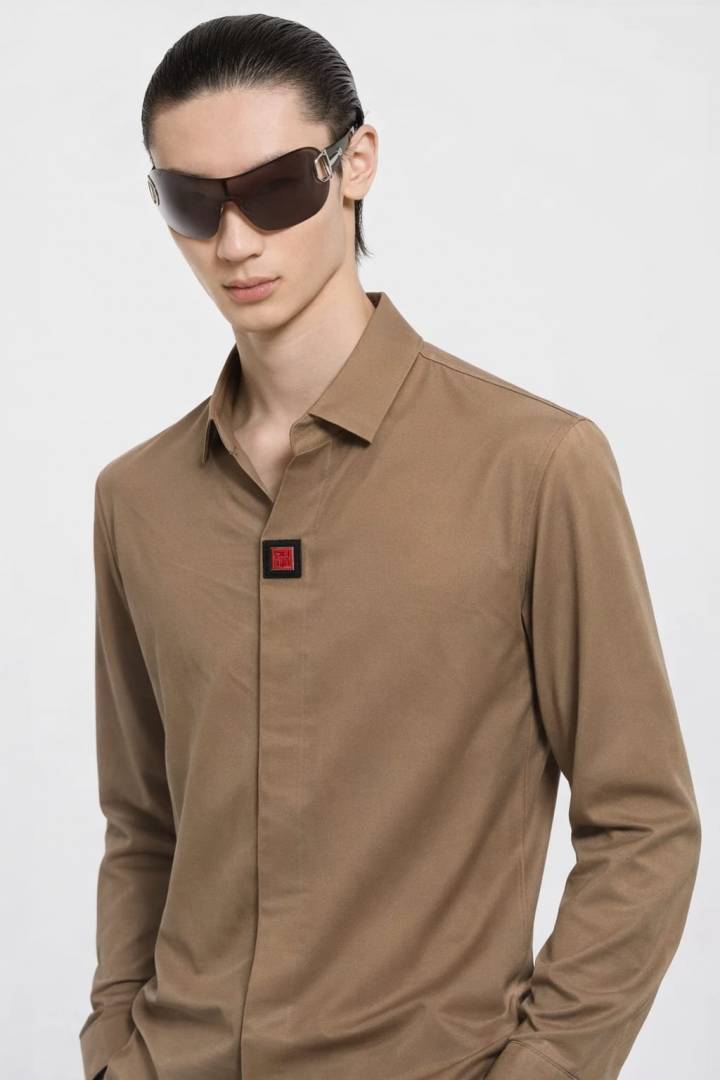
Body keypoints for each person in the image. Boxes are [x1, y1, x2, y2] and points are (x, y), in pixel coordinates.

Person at [78, 13, 701, 1080]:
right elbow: (143, 825)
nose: (235, 242)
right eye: (192, 201)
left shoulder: (534, 467)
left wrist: (546, 1068)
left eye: (276, 188)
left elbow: (645, 824)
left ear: (354, 163)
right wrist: (112, 1045)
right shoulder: (137, 500)